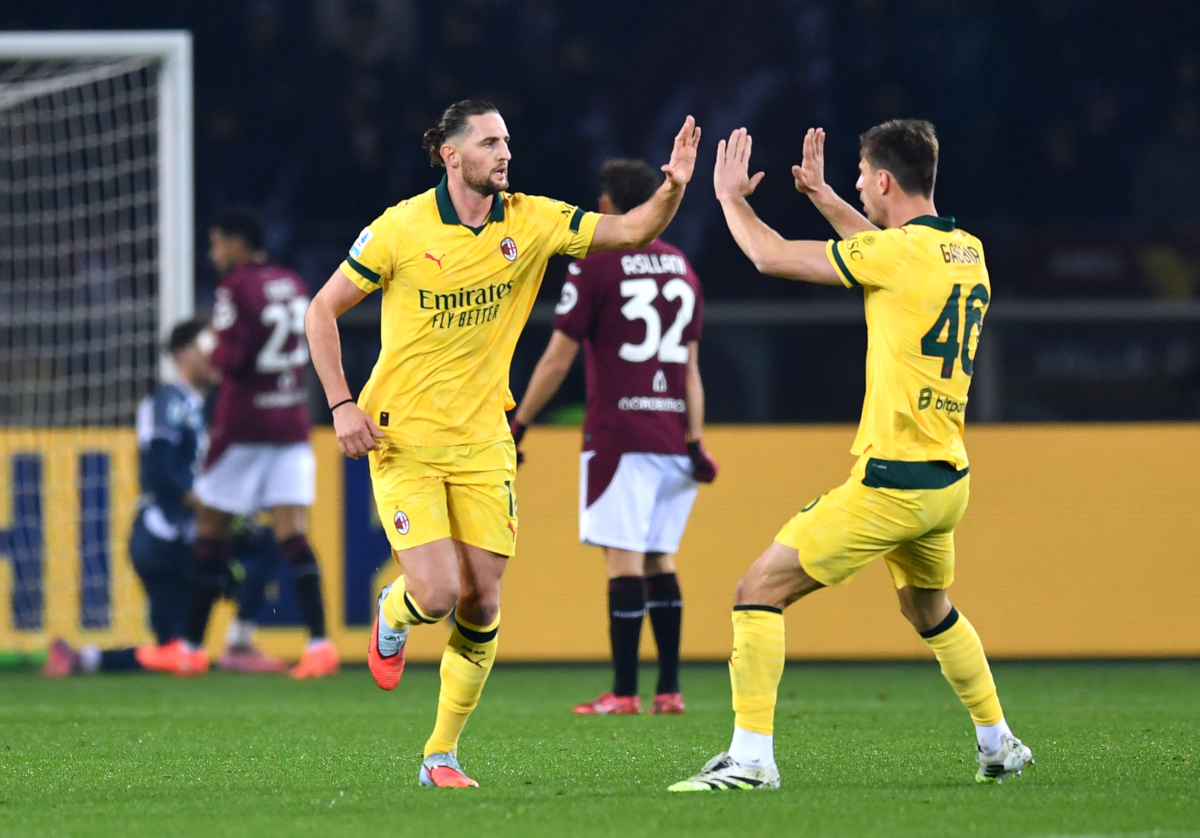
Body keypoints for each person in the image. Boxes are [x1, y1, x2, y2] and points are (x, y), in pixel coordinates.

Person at [305, 100, 700, 787]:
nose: (505, 153)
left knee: (482, 602)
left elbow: (635, 227)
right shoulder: (400, 228)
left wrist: (673, 187)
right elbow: (321, 310)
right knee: (434, 592)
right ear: (451, 155)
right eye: (489, 143)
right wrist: (341, 404)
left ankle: (441, 756)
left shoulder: (533, 220)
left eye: (507, 141)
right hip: (405, 437)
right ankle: (392, 611)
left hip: (485, 439)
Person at [670, 121, 1033, 792]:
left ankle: (751, 761)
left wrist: (728, 199)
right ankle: (999, 742)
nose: (858, 183)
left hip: (892, 482)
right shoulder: (966, 249)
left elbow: (771, 257)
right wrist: (826, 197)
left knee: (757, 591)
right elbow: (890, 249)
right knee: (930, 610)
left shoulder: (895, 257)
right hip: (947, 478)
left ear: (887, 181)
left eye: (863, 174)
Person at [510, 158, 718, 716]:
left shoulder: (596, 265)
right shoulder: (682, 268)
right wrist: (696, 441)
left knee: (623, 565)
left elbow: (557, 360)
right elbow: (692, 369)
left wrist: (521, 420)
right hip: (674, 435)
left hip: (620, 433)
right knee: (660, 560)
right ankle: (669, 690)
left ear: (605, 207)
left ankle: (624, 692)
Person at [43, 320, 285, 677]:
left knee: (179, 651)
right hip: (165, 539)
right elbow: (159, 471)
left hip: (181, 537)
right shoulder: (168, 402)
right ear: (183, 353)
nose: (216, 353)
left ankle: (84, 658)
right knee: (180, 652)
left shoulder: (203, 406)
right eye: (208, 344)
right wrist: (207, 504)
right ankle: (236, 641)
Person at [182, 207, 339, 679]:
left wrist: (212, 351)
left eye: (216, 243)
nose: (214, 254)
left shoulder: (235, 288)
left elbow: (232, 357)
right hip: (290, 419)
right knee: (292, 531)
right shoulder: (291, 280)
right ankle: (320, 644)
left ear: (236, 243)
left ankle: (189, 647)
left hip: (245, 424)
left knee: (211, 525)